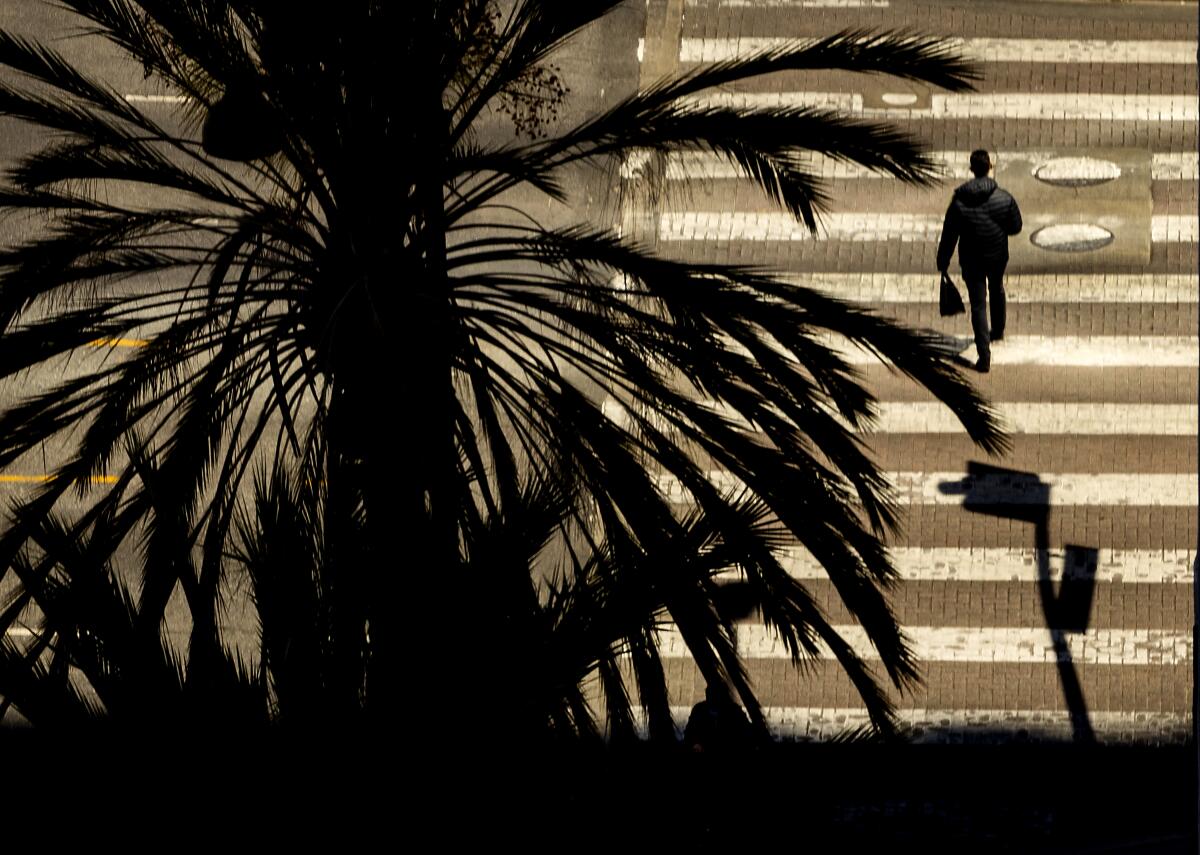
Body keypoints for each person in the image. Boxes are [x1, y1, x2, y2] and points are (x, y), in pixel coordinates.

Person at [936, 149, 1023, 373]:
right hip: (996, 255)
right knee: (997, 288)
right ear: (990, 168)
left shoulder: (958, 202)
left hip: (972, 260)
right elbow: (1016, 228)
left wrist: (943, 261)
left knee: (977, 305)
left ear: (972, 169)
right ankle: (998, 330)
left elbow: (949, 235)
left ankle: (984, 357)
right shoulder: (1004, 198)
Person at [683, 684, 754, 753]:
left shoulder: (734, 711)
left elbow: (746, 732)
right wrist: (695, 744)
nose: (712, 697)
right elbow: (690, 732)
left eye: (716, 694)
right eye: (710, 694)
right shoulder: (699, 709)